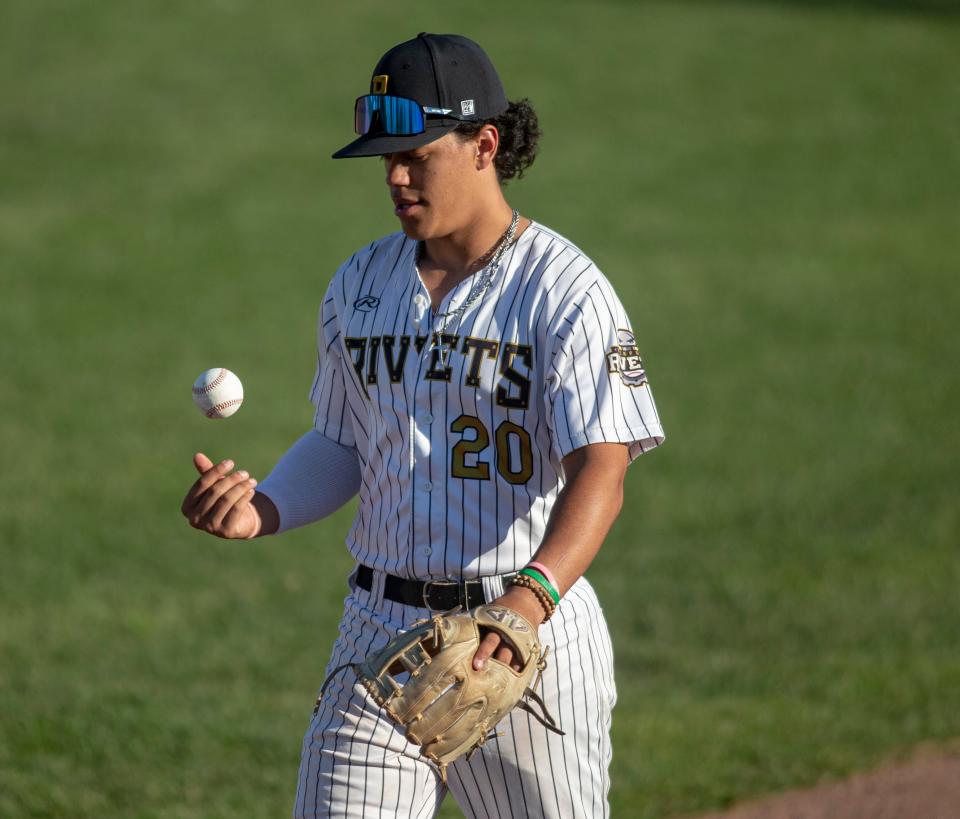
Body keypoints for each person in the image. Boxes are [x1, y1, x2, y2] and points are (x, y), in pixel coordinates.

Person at [181, 32, 664, 819]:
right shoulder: (360, 282)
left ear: (485, 144)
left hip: (523, 640)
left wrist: (528, 601)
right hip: (381, 635)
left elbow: (602, 469)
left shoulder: (565, 293)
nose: (396, 177)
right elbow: (344, 441)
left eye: (416, 155)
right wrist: (262, 507)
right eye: (385, 161)